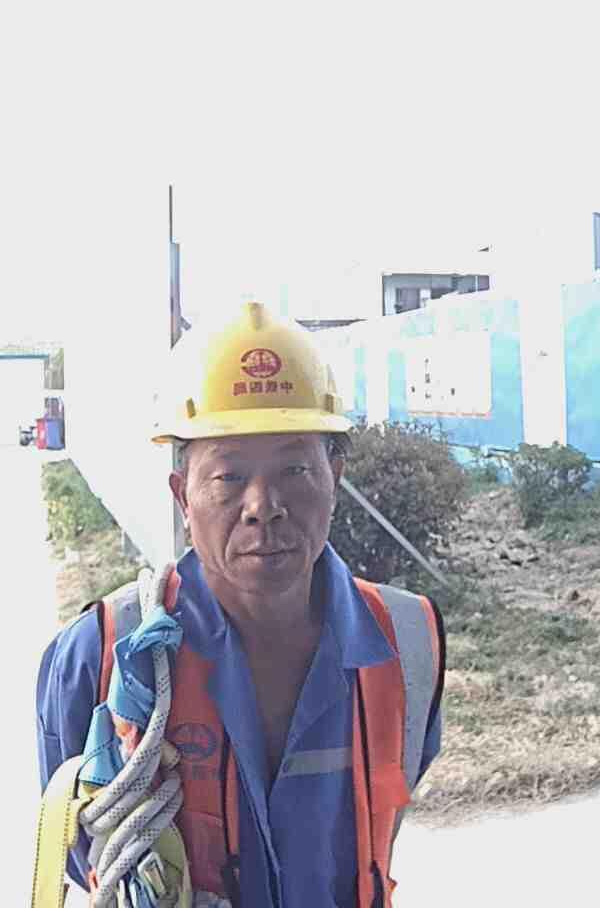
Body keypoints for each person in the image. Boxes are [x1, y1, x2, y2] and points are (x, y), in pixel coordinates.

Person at [35, 302, 445, 908]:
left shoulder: (409, 642)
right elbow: (84, 856)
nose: (263, 506)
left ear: (334, 478)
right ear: (183, 496)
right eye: (228, 477)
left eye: (295, 469)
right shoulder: (99, 656)